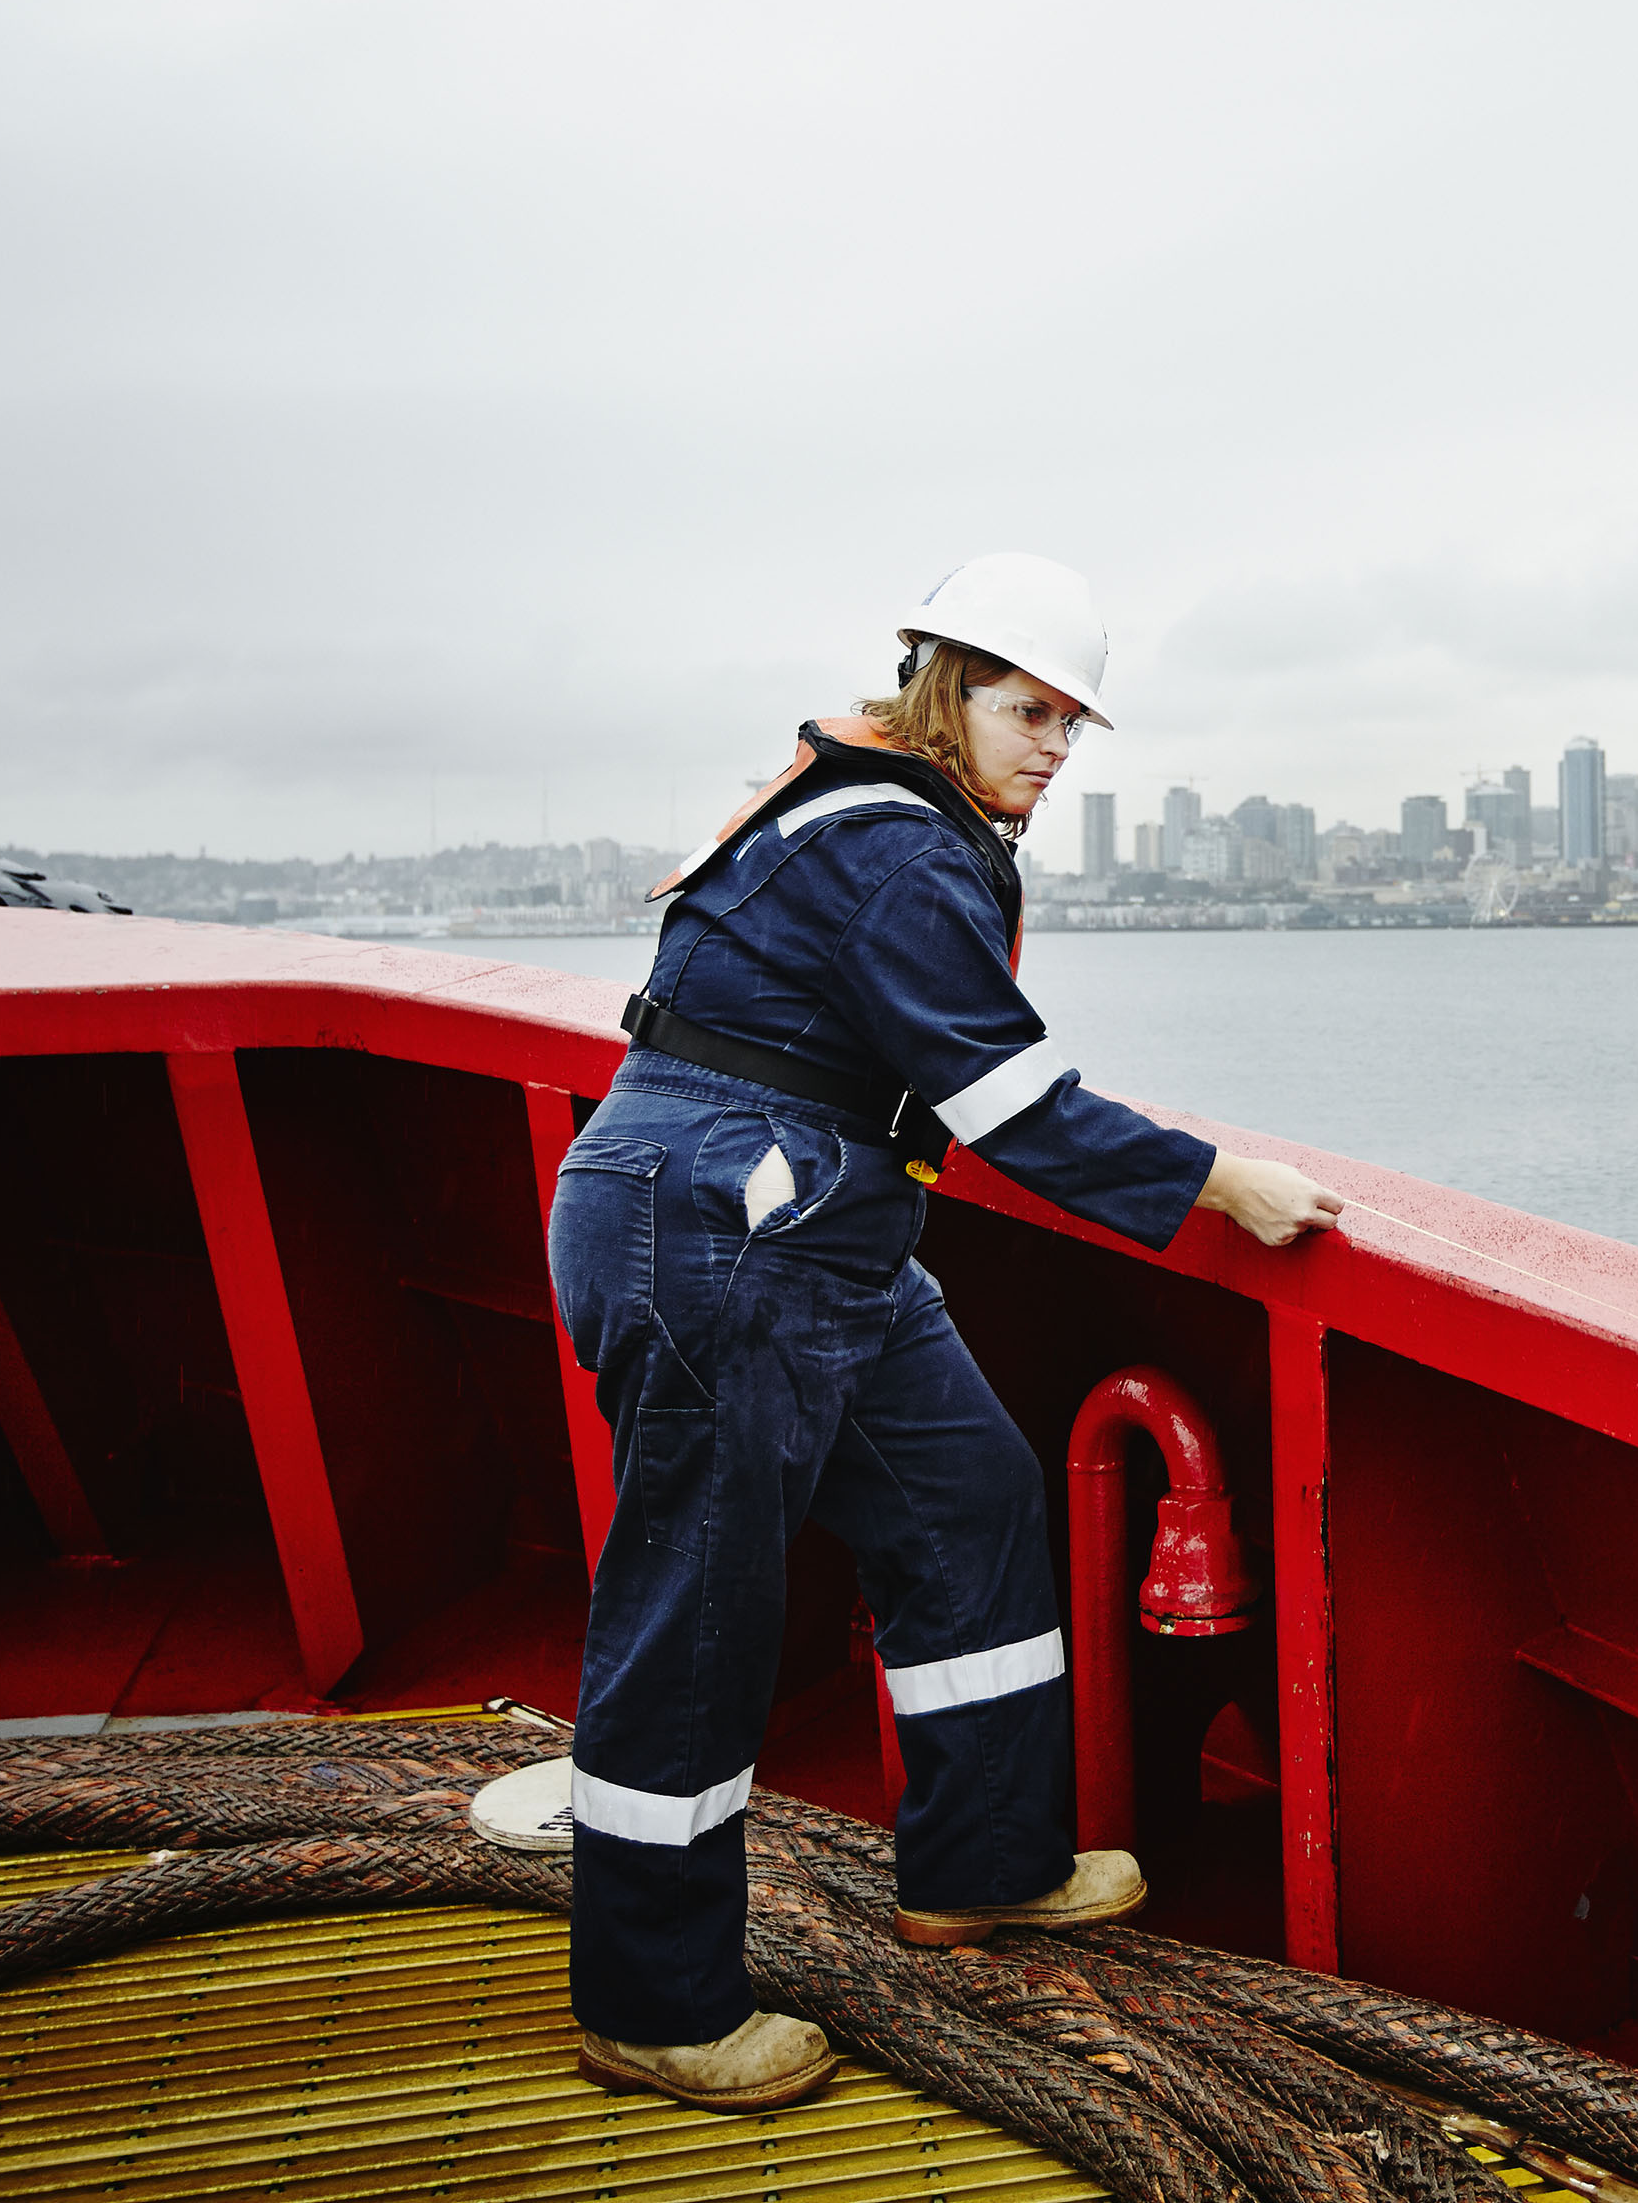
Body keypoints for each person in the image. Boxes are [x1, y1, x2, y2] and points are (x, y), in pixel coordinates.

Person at [546, 552, 1344, 2113]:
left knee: (969, 1503)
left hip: (824, 1226)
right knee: (696, 1621)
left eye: (1069, 720)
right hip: (728, 1228)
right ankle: (651, 2006)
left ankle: (982, 1865)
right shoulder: (899, 849)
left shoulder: (895, 820)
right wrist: (1218, 1183)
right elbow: (1001, 1100)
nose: (1050, 743)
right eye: (1022, 707)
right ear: (943, 693)